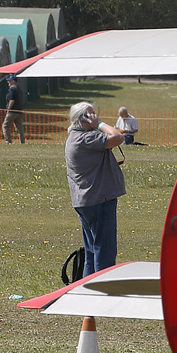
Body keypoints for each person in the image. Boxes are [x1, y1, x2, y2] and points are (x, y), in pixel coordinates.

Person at [65, 101, 126, 277]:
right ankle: (102, 293)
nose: (94, 117)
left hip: (86, 201)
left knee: (92, 252)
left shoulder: (74, 138)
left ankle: (88, 291)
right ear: (82, 118)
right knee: (104, 253)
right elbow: (118, 137)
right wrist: (99, 124)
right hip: (99, 200)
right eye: (90, 115)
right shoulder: (87, 139)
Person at [3, 77, 24, 144]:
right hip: (19, 111)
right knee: (19, 127)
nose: (8, 82)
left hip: (12, 111)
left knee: (5, 125)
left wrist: (8, 109)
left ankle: (8, 141)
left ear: (14, 81)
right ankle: (22, 141)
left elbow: (12, 100)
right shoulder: (19, 89)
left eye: (9, 81)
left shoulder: (12, 89)